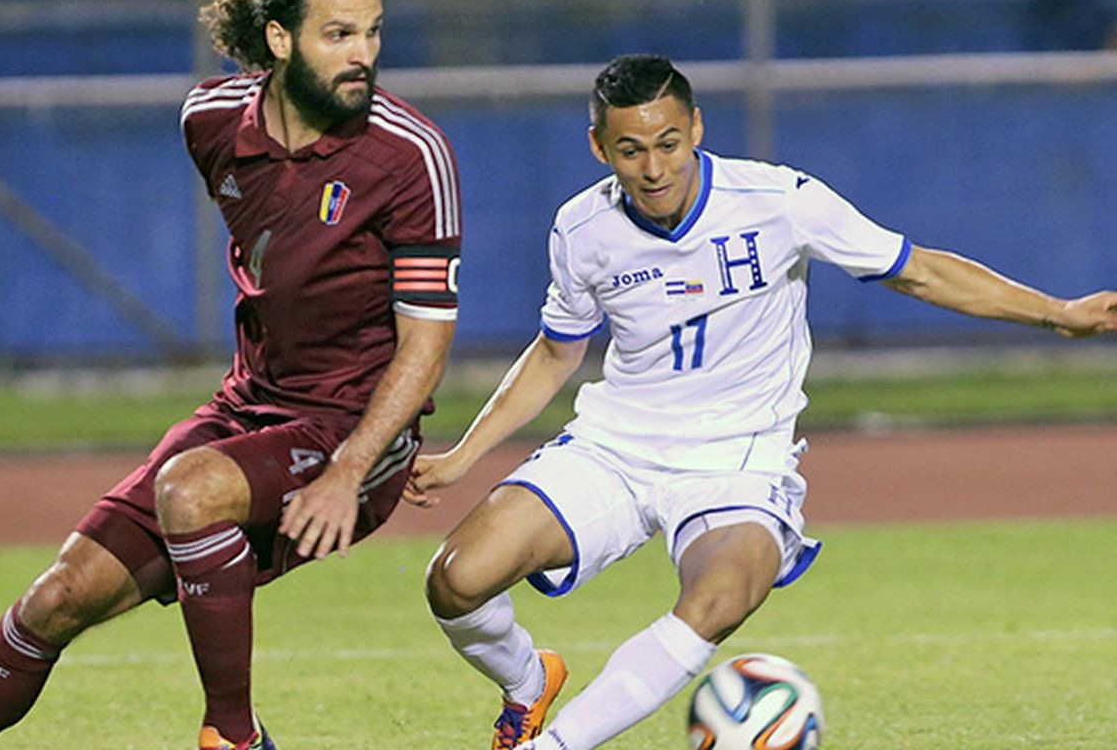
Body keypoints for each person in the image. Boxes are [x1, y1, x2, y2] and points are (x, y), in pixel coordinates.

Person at [406, 54, 1117, 750]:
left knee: (721, 596)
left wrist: (1058, 313)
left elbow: (918, 271)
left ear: (697, 130)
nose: (654, 168)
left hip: (738, 458)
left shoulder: (780, 202)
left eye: (668, 143)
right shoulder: (582, 229)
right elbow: (557, 351)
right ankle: (528, 685)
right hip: (616, 445)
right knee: (456, 580)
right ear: (599, 147)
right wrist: (466, 452)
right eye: (631, 150)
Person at [0, 0, 461, 748]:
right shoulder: (209, 122)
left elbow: (427, 341)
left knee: (193, 489)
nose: (363, 54)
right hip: (248, 409)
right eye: (338, 33)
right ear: (279, 39)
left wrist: (350, 469)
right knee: (54, 600)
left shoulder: (409, 154)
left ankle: (234, 737)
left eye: (373, 32)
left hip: (351, 433)